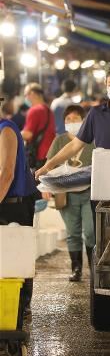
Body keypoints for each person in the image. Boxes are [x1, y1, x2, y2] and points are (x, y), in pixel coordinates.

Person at [35, 67, 110, 230]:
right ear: (105, 85)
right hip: (103, 179)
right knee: (102, 230)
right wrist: (49, 165)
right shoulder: (96, 114)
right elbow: (76, 144)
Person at [44, 105, 95, 282]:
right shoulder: (59, 141)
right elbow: (49, 164)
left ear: (83, 121)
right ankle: (76, 269)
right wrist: (47, 187)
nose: (71, 122)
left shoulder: (93, 140)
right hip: (66, 194)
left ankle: (94, 269)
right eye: (68, 120)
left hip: (90, 193)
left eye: (75, 119)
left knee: (90, 232)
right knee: (72, 233)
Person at [0, 101, 37, 319]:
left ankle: (20, 308)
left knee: (16, 258)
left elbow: (6, 174)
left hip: (13, 204)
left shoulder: (6, 129)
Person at [21, 83, 56, 170]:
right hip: (51, 153)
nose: (25, 98)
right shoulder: (48, 110)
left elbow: (28, 134)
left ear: (32, 93)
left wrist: (14, 133)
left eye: (26, 95)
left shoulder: (34, 110)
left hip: (39, 155)